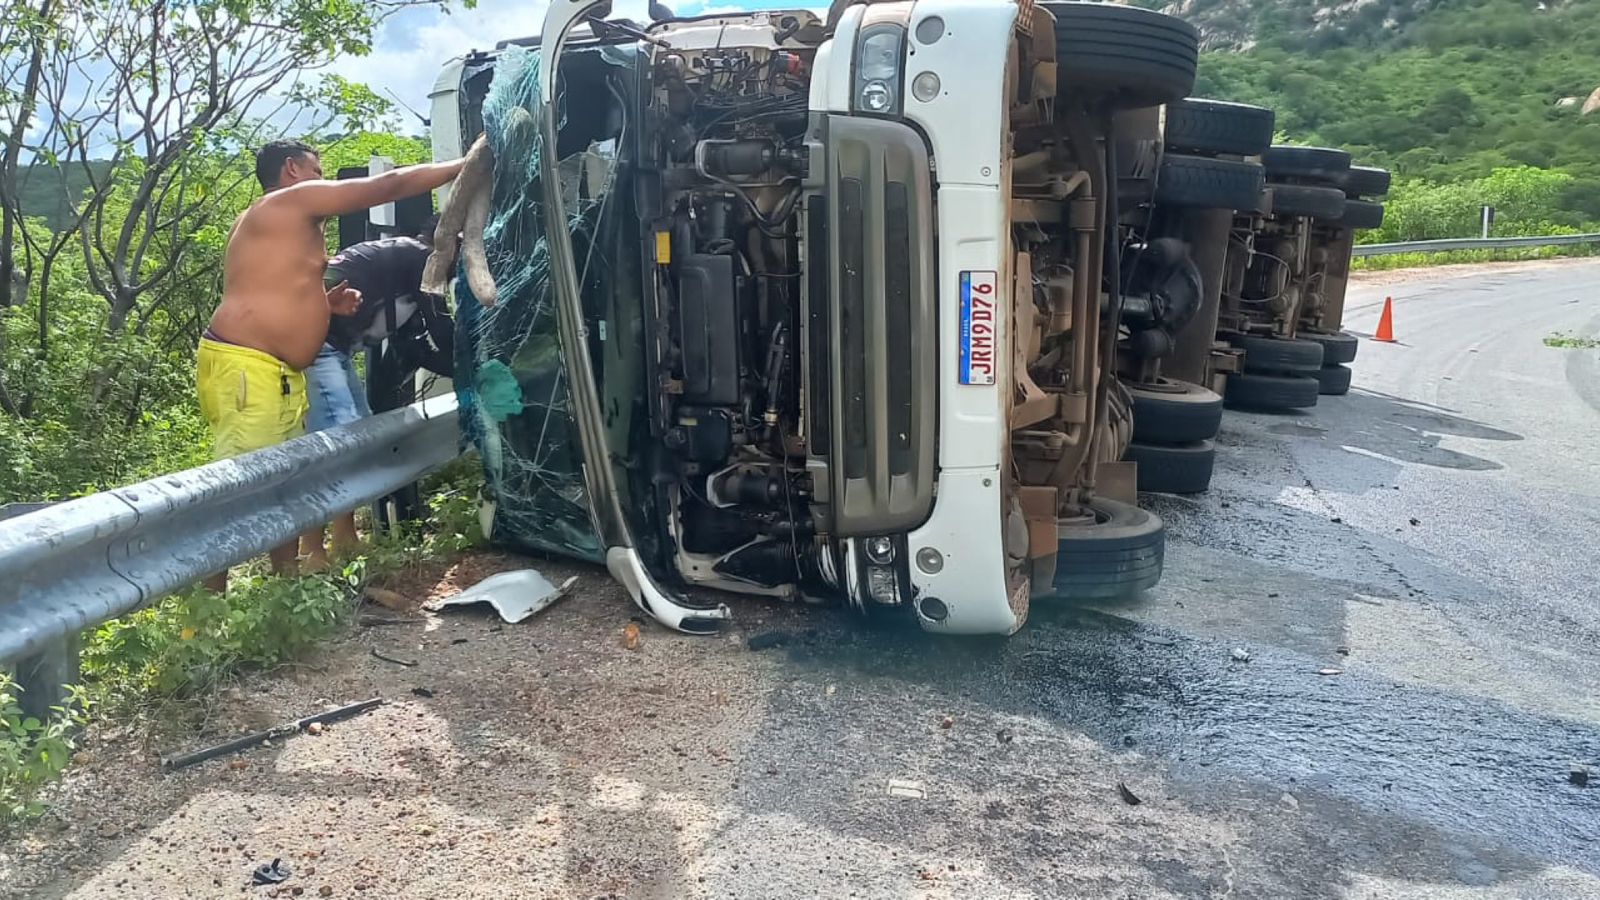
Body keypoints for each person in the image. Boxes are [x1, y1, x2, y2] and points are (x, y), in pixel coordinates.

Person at [199, 138, 474, 590]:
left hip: (276, 371)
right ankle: (206, 613)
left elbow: (273, 292)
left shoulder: (282, 224)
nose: (321, 179)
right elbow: (387, 185)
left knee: (285, 482)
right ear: (291, 170)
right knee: (241, 492)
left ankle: (287, 593)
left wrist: (324, 305)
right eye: (317, 170)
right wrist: (462, 165)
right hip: (249, 367)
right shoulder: (288, 203)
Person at [299, 222, 445, 568]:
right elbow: (442, 329)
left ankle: (344, 538)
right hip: (317, 347)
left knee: (357, 433)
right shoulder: (421, 258)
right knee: (336, 443)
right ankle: (312, 550)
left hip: (335, 349)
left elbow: (417, 347)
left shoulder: (409, 264)